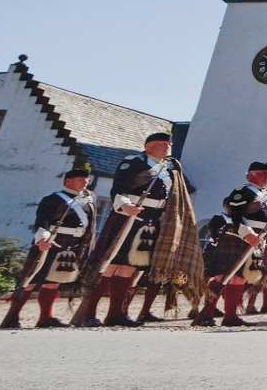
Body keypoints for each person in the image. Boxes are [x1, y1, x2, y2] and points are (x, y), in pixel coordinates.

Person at [76, 132, 191, 328]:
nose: (167, 146)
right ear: (148, 146)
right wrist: (125, 206)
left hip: (151, 219)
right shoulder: (134, 161)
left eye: (168, 143)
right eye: (161, 143)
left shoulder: (169, 168)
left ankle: (115, 314)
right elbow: (118, 189)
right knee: (109, 266)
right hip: (128, 215)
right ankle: (88, 313)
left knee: (129, 267)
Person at [0, 163, 97, 329]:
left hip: (72, 245)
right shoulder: (53, 199)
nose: (85, 182)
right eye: (80, 179)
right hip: (51, 242)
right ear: (67, 182)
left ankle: (46, 317)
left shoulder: (87, 202)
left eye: (86, 179)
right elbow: (42, 221)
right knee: (31, 280)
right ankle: (12, 317)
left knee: (53, 282)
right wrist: (43, 239)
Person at [194, 160, 267, 327]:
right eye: (261, 174)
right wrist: (247, 233)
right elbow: (235, 215)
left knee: (240, 278)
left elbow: (266, 220)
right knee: (223, 276)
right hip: (237, 236)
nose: (266, 177)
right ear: (250, 175)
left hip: (256, 238)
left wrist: (266, 242)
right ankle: (207, 314)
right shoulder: (242, 192)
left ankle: (230, 317)